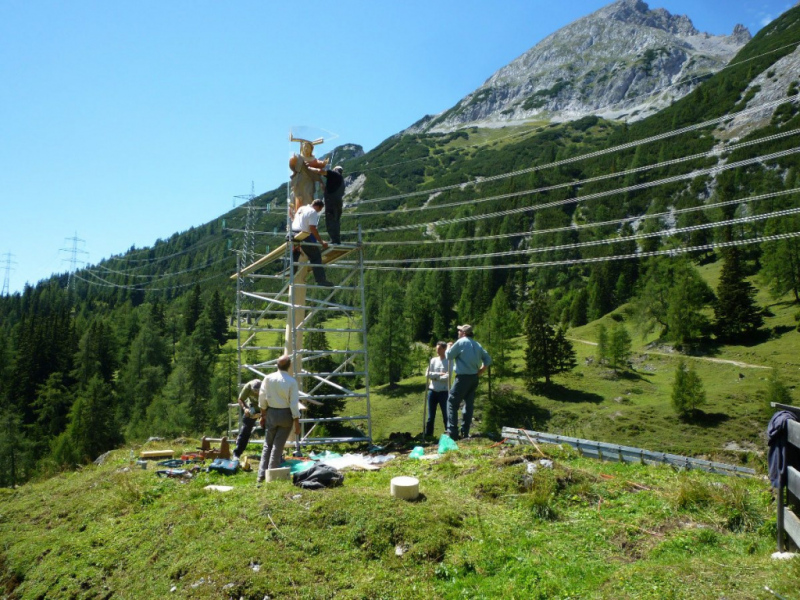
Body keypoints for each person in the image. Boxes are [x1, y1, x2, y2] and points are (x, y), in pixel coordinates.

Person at [256, 355, 301, 483]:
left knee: (267, 444)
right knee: (278, 445)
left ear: (277, 365)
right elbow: (293, 403)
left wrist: (262, 415)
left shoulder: (268, 378)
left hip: (271, 412)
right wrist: (296, 422)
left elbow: (262, 397)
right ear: (289, 366)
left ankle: (261, 475)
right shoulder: (291, 382)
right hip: (285, 414)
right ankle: (271, 474)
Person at [445, 324, 492, 440]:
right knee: (468, 404)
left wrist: (448, 347)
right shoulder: (477, 344)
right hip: (474, 378)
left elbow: (449, 356)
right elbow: (488, 359)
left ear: (464, 333)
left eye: (459, 331)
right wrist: (480, 371)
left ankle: (453, 433)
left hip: (462, 378)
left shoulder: (461, 342)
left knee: (452, 403)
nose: (458, 332)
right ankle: (465, 432)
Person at [291, 198, 333, 286]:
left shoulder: (301, 208)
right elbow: (312, 228)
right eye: (320, 209)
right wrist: (321, 241)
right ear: (317, 206)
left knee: (296, 253)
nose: (319, 212)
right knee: (315, 256)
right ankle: (321, 280)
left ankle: (292, 273)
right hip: (302, 235)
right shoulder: (313, 212)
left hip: (292, 234)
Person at [425, 341, 450, 437]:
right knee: (430, 416)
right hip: (432, 390)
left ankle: (449, 433)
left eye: (439, 349)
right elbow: (427, 374)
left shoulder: (448, 361)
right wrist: (439, 375)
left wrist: (434, 376)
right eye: (436, 348)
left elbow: (448, 377)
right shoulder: (433, 360)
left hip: (444, 391)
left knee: (446, 415)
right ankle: (428, 435)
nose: (437, 350)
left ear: (444, 349)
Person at [232, 378, 262, 461]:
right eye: (254, 391)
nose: (256, 393)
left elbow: (271, 403)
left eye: (258, 391)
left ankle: (272, 454)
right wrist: (245, 408)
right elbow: (240, 399)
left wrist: (261, 415)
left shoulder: (267, 388)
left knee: (270, 429)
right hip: (251, 408)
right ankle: (237, 454)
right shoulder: (248, 387)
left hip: (264, 408)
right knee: (245, 430)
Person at [322, 165, 345, 244]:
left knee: (330, 220)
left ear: (335, 169)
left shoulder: (334, 174)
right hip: (338, 204)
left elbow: (322, 172)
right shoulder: (341, 180)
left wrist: (310, 168)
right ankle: (336, 240)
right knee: (336, 221)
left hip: (331, 203)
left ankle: (334, 240)